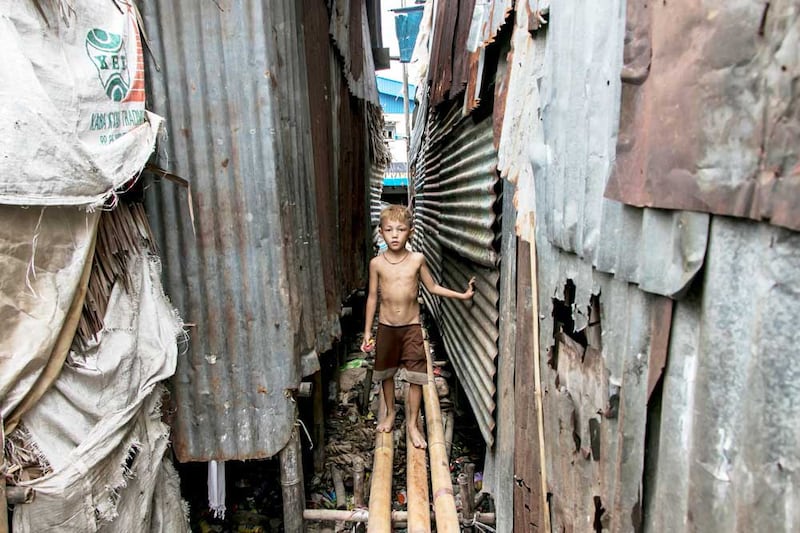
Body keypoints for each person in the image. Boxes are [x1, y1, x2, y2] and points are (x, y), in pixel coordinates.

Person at [361, 205, 475, 449]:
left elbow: (433, 288)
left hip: (411, 327)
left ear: (410, 232)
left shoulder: (416, 260)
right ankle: (391, 412)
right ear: (380, 232)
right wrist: (368, 331)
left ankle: (412, 423)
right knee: (386, 373)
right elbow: (372, 297)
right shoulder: (377, 264)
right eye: (389, 230)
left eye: (400, 230)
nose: (394, 235)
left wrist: (463, 295)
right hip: (387, 327)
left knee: (416, 378)